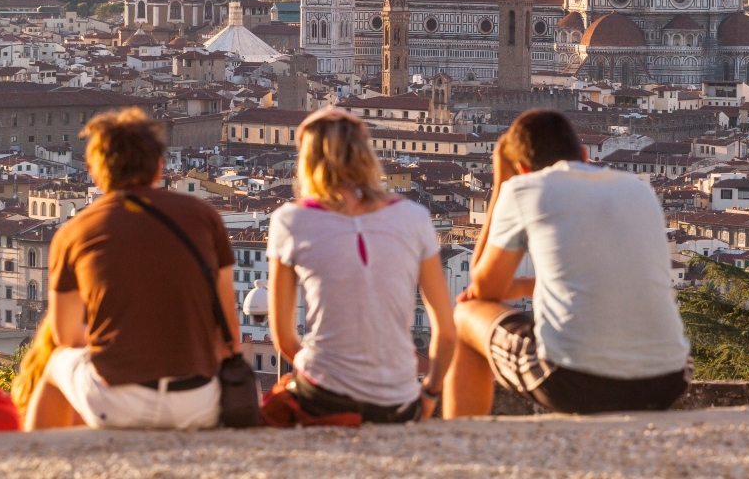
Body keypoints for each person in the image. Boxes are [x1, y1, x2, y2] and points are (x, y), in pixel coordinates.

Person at [444, 109, 690, 417]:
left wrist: (501, 186)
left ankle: (460, 446)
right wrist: (528, 286)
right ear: (583, 155)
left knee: (466, 315)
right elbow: (600, 278)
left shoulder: (524, 188)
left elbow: (482, 288)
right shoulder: (638, 188)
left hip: (573, 382)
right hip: (669, 377)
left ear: (522, 168)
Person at [24, 107, 237, 430]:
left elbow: (66, 335)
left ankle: (37, 463)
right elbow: (229, 334)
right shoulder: (204, 216)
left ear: (95, 171)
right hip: (197, 402)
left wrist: (110, 337)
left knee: (56, 366)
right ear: (160, 168)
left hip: (117, 403)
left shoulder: (74, 231)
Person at [265, 107, 455, 423]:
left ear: (307, 161)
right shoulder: (415, 217)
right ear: (367, 155)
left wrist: (330, 373)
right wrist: (430, 395)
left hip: (324, 398)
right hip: (398, 402)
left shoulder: (290, 220)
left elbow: (284, 339)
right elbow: (447, 333)